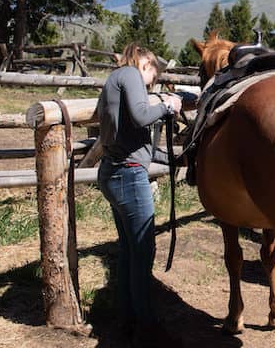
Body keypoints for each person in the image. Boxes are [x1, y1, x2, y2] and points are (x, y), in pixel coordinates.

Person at [97, 43, 181, 347]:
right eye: (153, 76)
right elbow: (142, 115)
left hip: (113, 172)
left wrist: (171, 157)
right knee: (143, 252)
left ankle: (128, 320)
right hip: (129, 177)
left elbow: (124, 128)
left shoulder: (113, 80)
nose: (151, 82)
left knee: (130, 251)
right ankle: (147, 328)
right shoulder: (131, 73)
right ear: (145, 63)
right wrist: (169, 105)